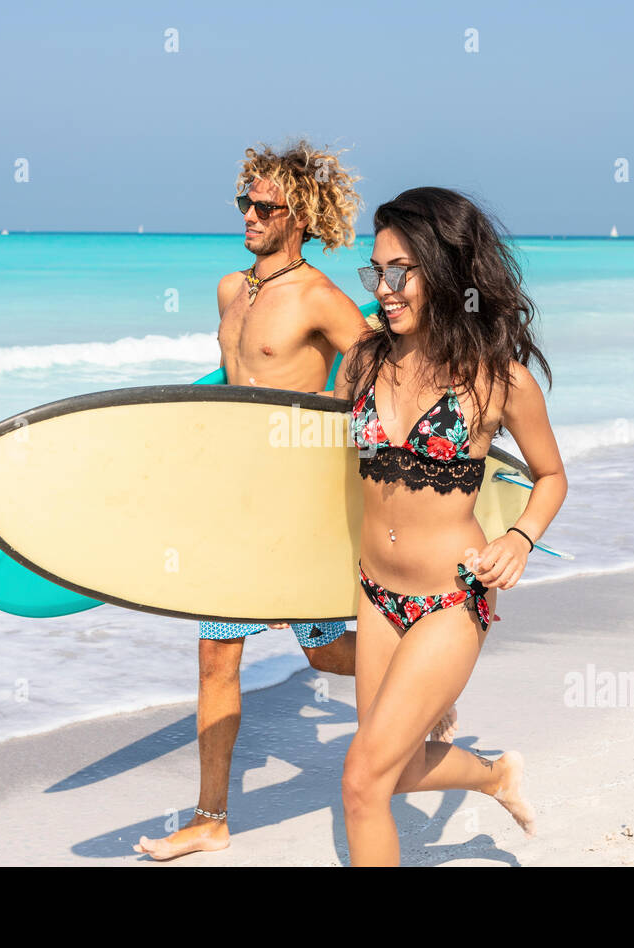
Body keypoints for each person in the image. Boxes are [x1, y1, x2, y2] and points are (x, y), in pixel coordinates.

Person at [133, 142, 457, 861]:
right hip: (232, 501)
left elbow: (382, 356)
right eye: (243, 201)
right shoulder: (229, 289)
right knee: (217, 657)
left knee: (321, 655)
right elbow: (229, 384)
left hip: (289, 507)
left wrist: (335, 407)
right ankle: (211, 817)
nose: (248, 214)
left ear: (301, 215)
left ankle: (423, 687)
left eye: (264, 206)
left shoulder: (317, 297)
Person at [334, 186, 567, 866]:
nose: (384, 288)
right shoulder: (363, 361)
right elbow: (315, 479)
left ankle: (494, 776)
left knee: (360, 780)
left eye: (400, 271)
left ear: (443, 269)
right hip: (375, 594)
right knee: (395, 770)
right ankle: (497, 776)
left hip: (451, 596)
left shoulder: (500, 381)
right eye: (375, 272)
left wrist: (518, 538)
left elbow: (551, 476)